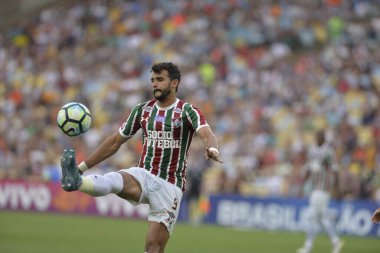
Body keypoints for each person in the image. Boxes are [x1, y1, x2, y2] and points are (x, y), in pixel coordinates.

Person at [60, 62, 223, 253]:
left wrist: (212, 148)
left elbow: (206, 133)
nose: (154, 84)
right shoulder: (142, 110)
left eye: (160, 80)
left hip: (170, 187)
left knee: (153, 247)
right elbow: (114, 142)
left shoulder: (187, 111)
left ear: (174, 83)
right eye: (152, 80)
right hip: (143, 175)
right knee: (114, 179)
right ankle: (77, 180)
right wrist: (80, 168)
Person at [297, 130, 344, 253]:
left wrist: (337, 189)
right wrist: (302, 185)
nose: (317, 138)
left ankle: (308, 247)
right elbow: (309, 168)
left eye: (320, 136)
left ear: (324, 138)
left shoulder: (329, 152)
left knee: (310, 217)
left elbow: (335, 170)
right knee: (322, 219)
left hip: (323, 188)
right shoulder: (312, 150)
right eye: (316, 136)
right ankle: (336, 241)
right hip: (314, 187)